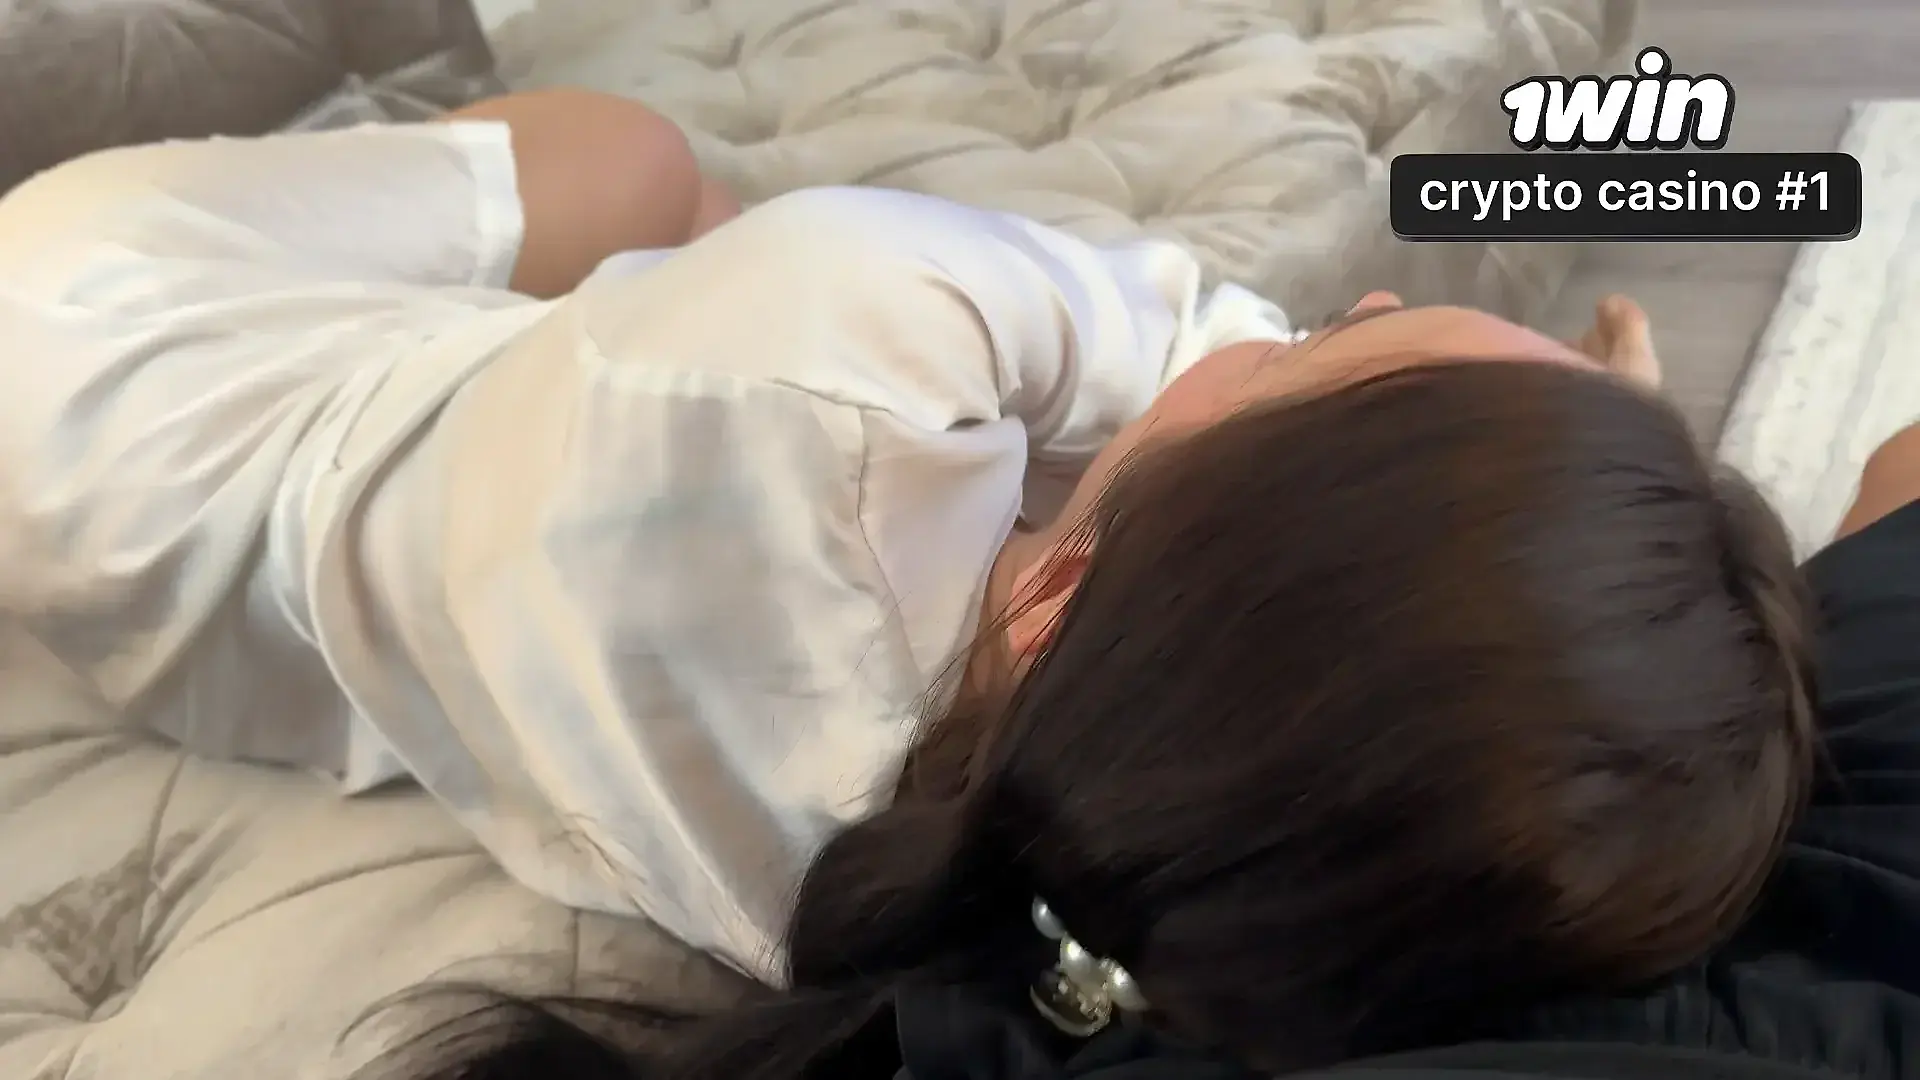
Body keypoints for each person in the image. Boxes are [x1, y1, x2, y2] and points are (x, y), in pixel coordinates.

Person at [0, 90, 1811, 1075]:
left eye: (1330, 344)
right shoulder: (934, 869)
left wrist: (1498, 454)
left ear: (1063, 585)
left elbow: (1166, 320)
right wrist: (1557, 492)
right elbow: (1359, 647)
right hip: (312, 592)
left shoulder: (836, 355)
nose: (1346, 302)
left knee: (636, 157)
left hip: (99, 375)